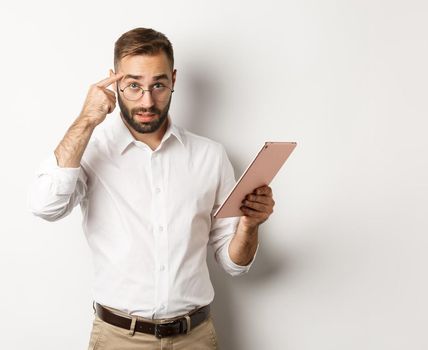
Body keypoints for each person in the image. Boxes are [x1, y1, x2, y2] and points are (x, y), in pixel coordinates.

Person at [28, 27, 275, 349]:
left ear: (173, 79)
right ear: (113, 81)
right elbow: (45, 207)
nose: (147, 100)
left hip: (195, 338)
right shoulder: (90, 150)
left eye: (158, 85)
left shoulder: (210, 155)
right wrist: (87, 120)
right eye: (133, 86)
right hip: (118, 339)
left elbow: (234, 264)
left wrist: (250, 226)